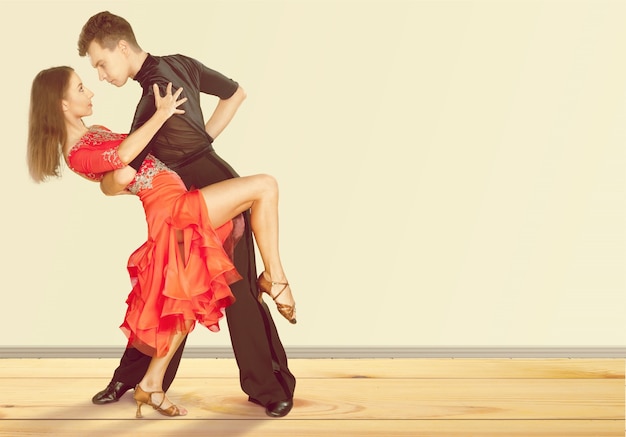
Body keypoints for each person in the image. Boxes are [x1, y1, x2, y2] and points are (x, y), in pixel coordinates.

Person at [27, 66, 296, 417]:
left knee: (183, 301)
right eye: (81, 88)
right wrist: (162, 113)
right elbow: (122, 159)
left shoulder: (95, 132)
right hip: (173, 210)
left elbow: (127, 170)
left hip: (173, 204)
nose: (91, 92)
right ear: (62, 104)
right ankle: (275, 278)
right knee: (265, 186)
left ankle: (151, 384)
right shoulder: (76, 152)